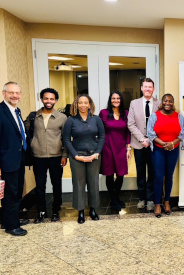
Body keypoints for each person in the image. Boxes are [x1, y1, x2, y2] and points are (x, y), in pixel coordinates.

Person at [25, 88, 68, 223]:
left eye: (51, 99)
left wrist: (64, 155)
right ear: (42, 99)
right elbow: (24, 133)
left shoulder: (62, 118)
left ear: (55, 101)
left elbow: (66, 138)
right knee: (40, 186)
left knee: (56, 184)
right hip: (38, 157)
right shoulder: (33, 116)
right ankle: (41, 212)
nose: (48, 101)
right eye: (46, 98)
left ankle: (56, 210)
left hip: (56, 156)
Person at [63, 94, 105, 224]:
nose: (83, 105)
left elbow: (102, 137)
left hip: (94, 156)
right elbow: (66, 140)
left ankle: (93, 210)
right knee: (79, 184)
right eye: (80, 102)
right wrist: (75, 155)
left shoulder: (96, 119)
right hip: (77, 157)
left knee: (93, 183)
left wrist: (97, 153)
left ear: (90, 104)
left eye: (85, 102)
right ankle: (80, 211)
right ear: (76, 104)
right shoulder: (71, 120)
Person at [147, 93, 184, 218]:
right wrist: (164, 144)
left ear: (173, 103)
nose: (167, 103)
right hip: (158, 150)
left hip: (173, 150)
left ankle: (167, 202)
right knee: (158, 177)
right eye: (165, 101)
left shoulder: (179, 117)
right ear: (161, 102)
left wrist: (172, 143)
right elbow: (150, 133)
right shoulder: (154, 116)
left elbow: (182, 133)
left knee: (169, 176)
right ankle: (158, 204)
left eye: (170, 101)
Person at [0, 82, 30, 236]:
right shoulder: (1, 111)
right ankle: (12, 226)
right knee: (11, 193)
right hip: (7, 161)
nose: (15, 96)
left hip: (19, 158)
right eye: (11, 92)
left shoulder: (16, 111)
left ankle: (10, 220)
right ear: (4, 93)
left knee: (16, 191)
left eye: (18, 93)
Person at [128, 78, 160, 211]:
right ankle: (142, 198)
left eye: (150, 87)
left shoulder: (159, 104)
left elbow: (161, 124)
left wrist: (151, 139)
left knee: (152, 172)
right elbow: (131, 124)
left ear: (153, 89)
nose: (147, 89)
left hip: (154, 145)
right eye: (145, 87)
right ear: (141, 88)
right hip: (139, 144)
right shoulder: (134, 103)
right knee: (140, 172)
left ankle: (151, 198)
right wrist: (142, 139)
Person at [99, 91, 131, 212]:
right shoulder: (104, 113)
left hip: (121, 148)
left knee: (120, 174)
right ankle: (113, 200)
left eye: (118, 98)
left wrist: (128, 148)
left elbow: (128, 132)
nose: (116, 100)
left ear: (121, 100)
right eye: (113, 98)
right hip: (107, 147)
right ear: (110, 100)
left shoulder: (126, 113)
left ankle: (116, 197)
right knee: (109, 174)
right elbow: (99, 130)